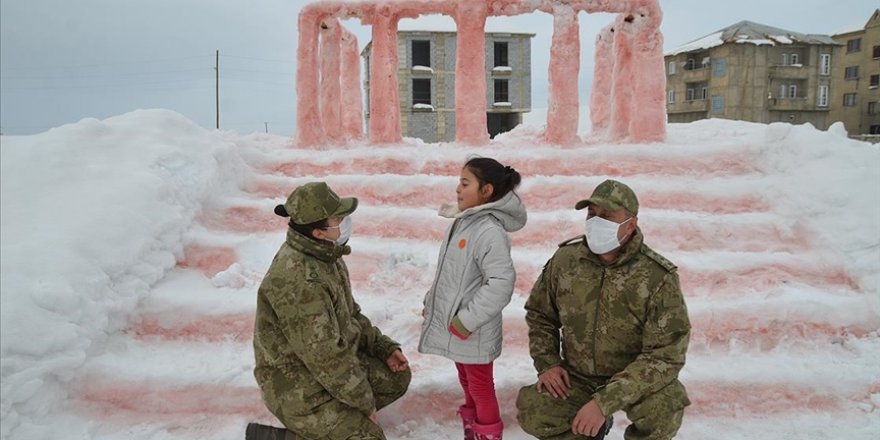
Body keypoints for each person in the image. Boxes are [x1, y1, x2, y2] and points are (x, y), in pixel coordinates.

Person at [516, 179, 691, 440]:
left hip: (634, 379)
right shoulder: (565, 262)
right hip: (579, 376)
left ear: (630, 224)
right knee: (534, 410)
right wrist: (548, 363)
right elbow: (541, 314)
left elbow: (666, 355)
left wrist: (604, 402)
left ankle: (601, 417)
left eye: (607, 216)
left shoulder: (657, 276)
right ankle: (590, 431)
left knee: (664, 408)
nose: (596, 221)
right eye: (592, 214)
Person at [249, 182, 411, 440]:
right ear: (318, 232)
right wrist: (363, 402)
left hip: (321, 368)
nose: (345, 222)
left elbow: (351, 314)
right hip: (296, 384)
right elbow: (325, 357)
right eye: (338, 219)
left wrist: (383, 346)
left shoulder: (326, 256)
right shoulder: (300, 281)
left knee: (396, 377)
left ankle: (333, 425)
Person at [418, 157, 527, 440]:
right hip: (460, 325)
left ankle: (488, 434)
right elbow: (451, 274)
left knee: (479, 385)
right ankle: (472, 429)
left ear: (486, 190)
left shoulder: (488, 230)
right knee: (466, 380)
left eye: (465, 183)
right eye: (459, 182)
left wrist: (467, 320)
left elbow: (501, 283)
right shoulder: (464, 223)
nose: (457, 189)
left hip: (473, 327)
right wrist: (433, 304)